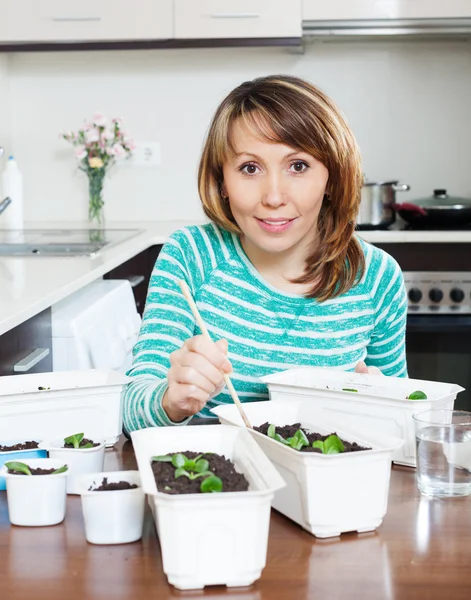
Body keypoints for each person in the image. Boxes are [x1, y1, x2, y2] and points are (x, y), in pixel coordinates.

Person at [123, 75, 407, 432]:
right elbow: (131, 410)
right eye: (250, 168)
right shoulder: (191, 256)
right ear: (222, 182)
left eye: (298, 166)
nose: (273, 196)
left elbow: (406, 423)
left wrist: (388, 409)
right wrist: (170, 402)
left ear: (332, 177)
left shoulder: (377, 277)